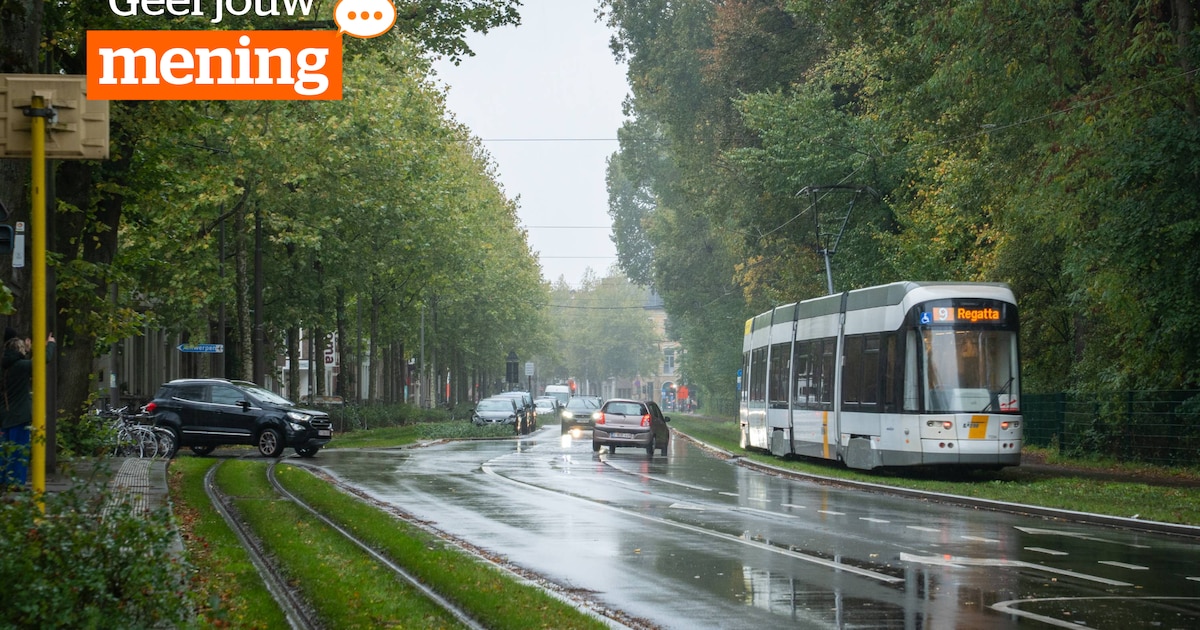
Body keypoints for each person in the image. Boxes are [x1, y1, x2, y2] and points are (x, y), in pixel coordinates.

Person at [1, 330, 56, 489]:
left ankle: (4, 479)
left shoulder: (4, 367)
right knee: (19, 450)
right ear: (19, 350)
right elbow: (41, 361)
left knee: (5, 450)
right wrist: (50, 345)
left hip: (4, 415)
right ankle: (16, 482)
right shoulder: (20, 366)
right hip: (20, 415)